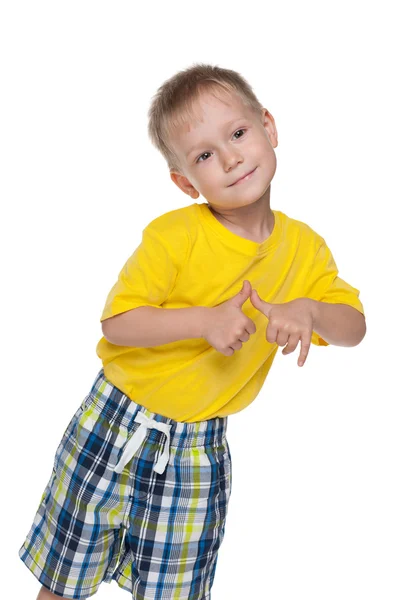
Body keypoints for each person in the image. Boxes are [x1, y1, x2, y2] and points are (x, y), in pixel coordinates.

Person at [19, 63, 366, 600]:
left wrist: (311, 312)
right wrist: (204, 321)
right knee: (64, 581)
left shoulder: (305, 249)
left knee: (175, 591)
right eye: (204, 155)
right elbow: (118, 321)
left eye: (238, 133)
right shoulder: (174, 236)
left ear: (268, 128)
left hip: (198, 449)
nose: (229, 157)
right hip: (112, 421)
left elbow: (355, 327)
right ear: (186, 182)